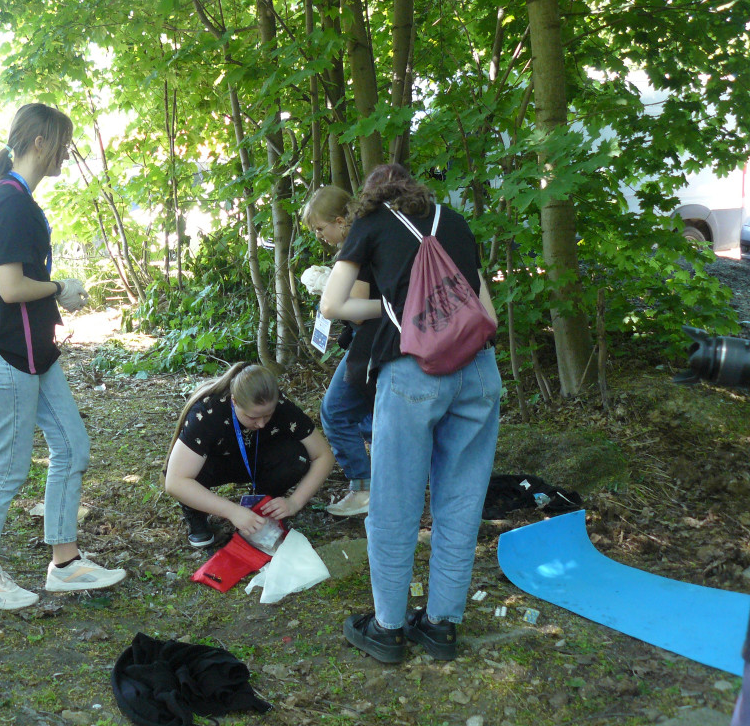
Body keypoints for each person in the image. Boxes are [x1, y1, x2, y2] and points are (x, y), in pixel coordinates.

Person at [321, 163, 500, 663]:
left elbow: (332, 306)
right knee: (461, 501)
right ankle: (441, 626)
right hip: (479, 372)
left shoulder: (371, 224)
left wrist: (392, 307)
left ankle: (388, 628)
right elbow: (487, 313)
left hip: (414, 372)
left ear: (372, 196)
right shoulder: (456, 222)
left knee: (394, 505)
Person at [0, 103, 125, 610]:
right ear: (40, 142)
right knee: (8, 468)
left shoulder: (4, 197)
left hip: (34, 353)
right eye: (63, 144)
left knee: (72, 447)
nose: (66, 154)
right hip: (8, 355)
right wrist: (60, 287)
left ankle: (65, 563)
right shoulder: (11, 205)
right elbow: (11, 288)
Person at [164, 362, 334, 547]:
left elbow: (323, 455)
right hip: (215, 463)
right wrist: (231, 511)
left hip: (256, 459)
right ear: (234, 401)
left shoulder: (282, 406)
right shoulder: (209, 412)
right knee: (188, 468)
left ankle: (264, 507)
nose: (261, 424)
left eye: (268, 415)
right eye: (253, 417)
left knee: (294, 456)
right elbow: (175, 481)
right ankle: (196, 513)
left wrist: (295, 502)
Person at [302, 186, 378, 516]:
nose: (319, 236)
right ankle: (393, 469)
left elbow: (358, 310)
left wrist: (327, 288)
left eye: (321, 229)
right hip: (382, 338)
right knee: (371, 414)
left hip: (372, 341)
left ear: (340, 221)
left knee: (335, 412)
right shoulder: (369, 237)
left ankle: (364, 489)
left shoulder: (357, 246)